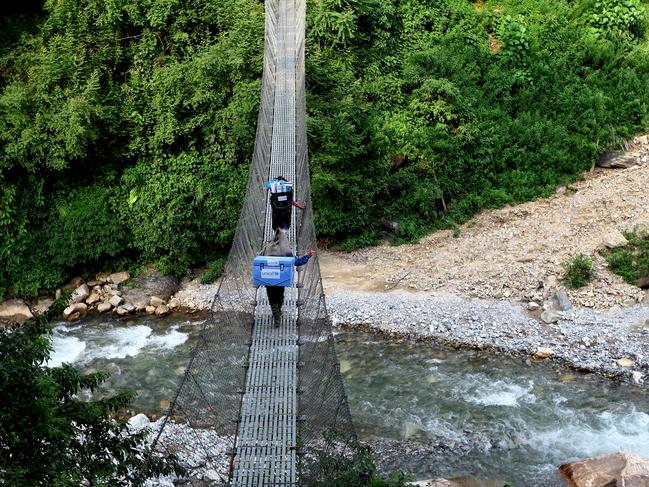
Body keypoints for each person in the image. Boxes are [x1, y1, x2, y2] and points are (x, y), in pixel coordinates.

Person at [261, 227, 314, 327]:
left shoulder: (267, 248)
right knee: (280, 296)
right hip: (281, 279)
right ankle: (278, 313)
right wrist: (307, 256)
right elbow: (297, 262)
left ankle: (276, 317)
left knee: (272, 298)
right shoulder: (285, 250)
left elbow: (259, 261)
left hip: (269, 279)